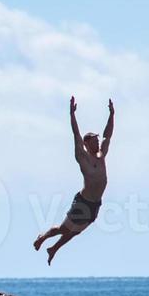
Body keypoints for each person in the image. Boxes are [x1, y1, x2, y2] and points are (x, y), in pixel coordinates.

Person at [34, 96, 114, 265]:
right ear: (87, 143)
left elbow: (108, 136)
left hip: (95, 203)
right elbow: (76, 135)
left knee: (75, 232)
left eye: (98, 141)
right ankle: (43, 237)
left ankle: (54, 248)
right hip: (83, 202)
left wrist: (111, 115)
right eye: (95, 141)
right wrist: (72, 114)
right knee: (65, 229)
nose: (98, 143)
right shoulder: (82, 157)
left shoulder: (101, 156)